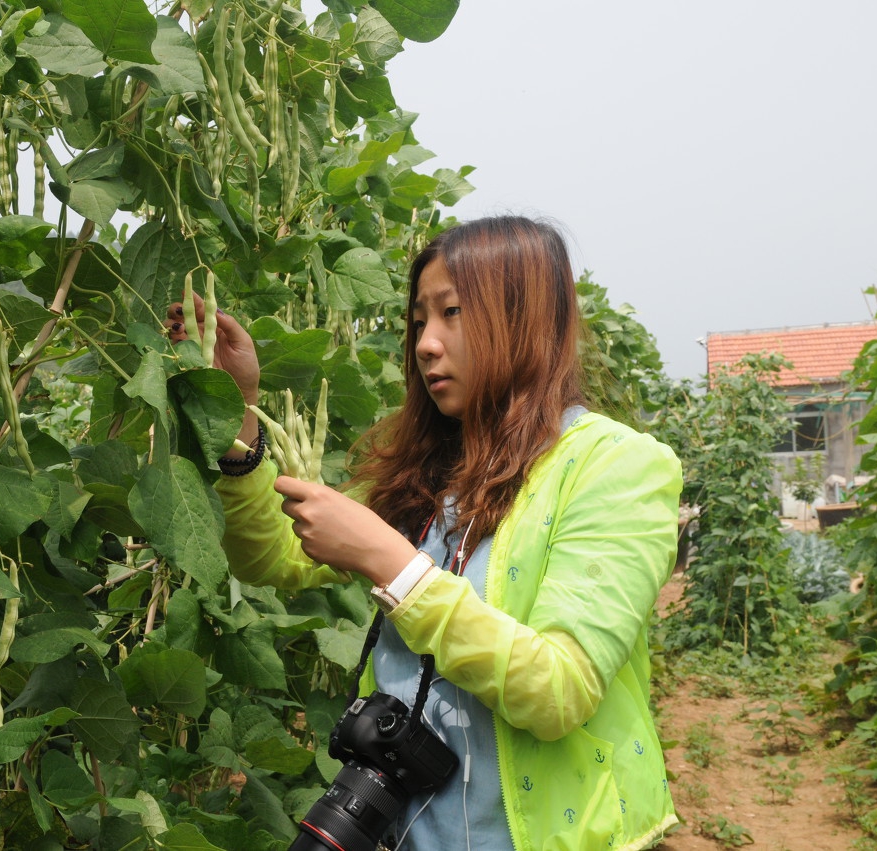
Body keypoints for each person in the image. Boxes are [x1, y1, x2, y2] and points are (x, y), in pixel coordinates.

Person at [168, 215, 682, 851]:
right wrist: (239, 410)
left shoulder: (616, 464)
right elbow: (272, 558)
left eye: (453, 313)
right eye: (417, 323)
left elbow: (559, 689)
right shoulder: (428, 471)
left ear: (523, 320)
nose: (425, 344)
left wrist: (393, 564)